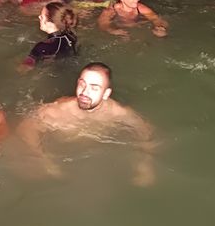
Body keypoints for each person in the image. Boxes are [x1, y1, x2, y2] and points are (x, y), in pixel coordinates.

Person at [16, 62, 155, 184]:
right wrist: (43, 159)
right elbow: (26, 128)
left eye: (94, 88)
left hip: (100, 161)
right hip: (65, 153)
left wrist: (144, 164)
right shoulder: (58, 110)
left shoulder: (118, 112)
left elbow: (145, 130)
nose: (84, 92)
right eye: (82, 84)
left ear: (106, 94)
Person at [98, 0, 168, 38]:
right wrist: (113, 31)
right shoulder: (112, 10)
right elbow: (102, 24)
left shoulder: (140, 8)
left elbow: (156, 19)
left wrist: (160, 27)